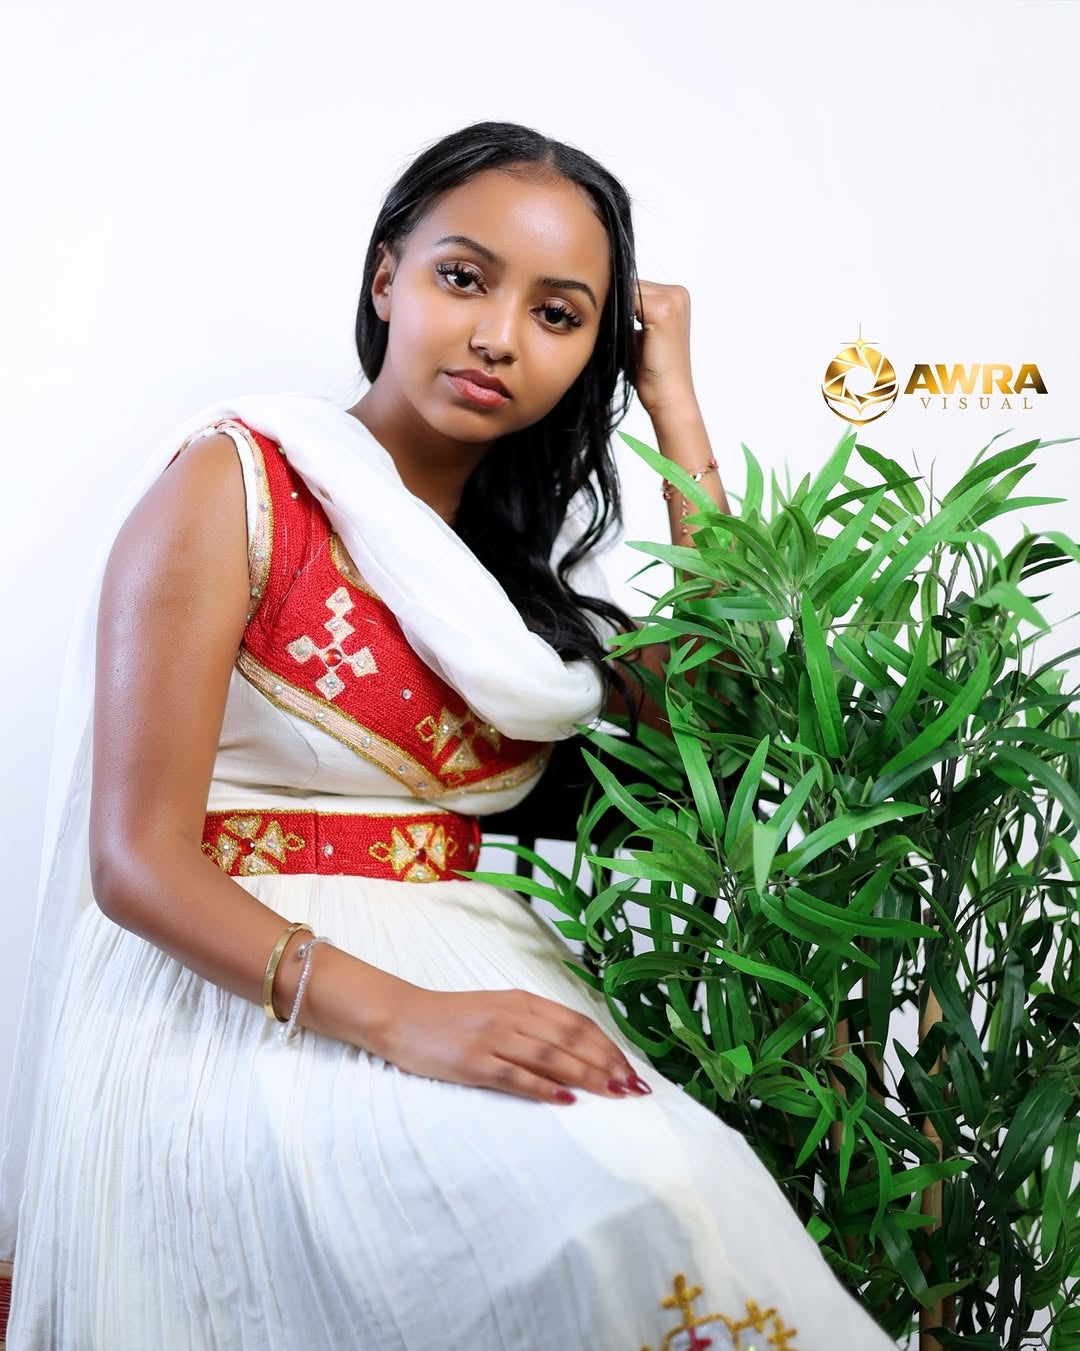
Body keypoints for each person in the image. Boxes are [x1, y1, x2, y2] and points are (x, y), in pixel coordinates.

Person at [1, 122, 895, 1349]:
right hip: (241, 997)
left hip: (481, 964)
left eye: (560, 314)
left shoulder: (514, 613)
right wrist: (411, 1018)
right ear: (387, 278)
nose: (497, 335)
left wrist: (675, 401)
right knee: (578, 1223)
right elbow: (135, 860)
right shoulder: (240, 483)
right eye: (463, 277)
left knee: (681, 1195)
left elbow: (731, 710)